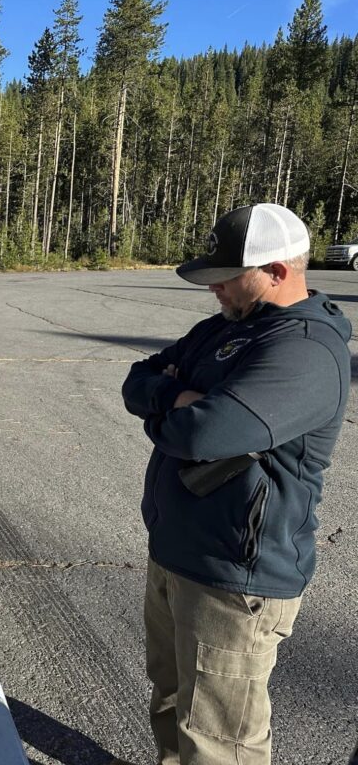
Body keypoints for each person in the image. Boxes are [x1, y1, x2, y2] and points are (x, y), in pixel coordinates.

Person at [121, 203, 351, 765]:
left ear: (277, 270)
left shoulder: (305, 350)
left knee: (220, 740)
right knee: (172, 702)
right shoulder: (220, 330)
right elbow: (137, 381)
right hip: (177, 555)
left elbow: (204, 434)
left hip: (234, 578)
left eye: (227, 277)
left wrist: (179, 407)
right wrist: (172, 397)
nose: (215, 289)